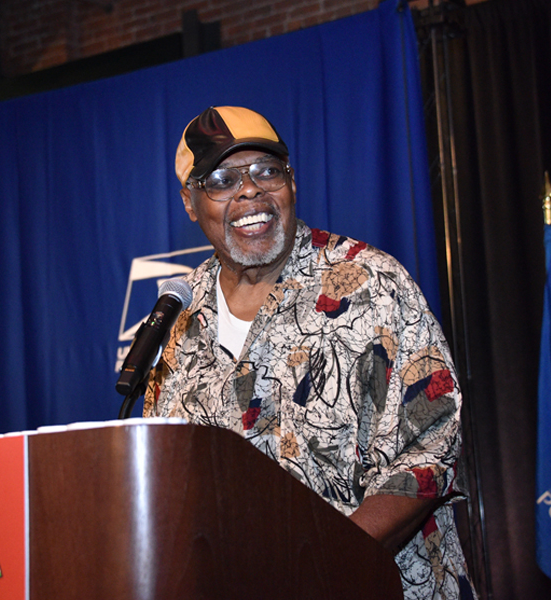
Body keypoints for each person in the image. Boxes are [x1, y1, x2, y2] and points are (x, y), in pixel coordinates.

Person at [144, 106, 475, 600]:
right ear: (190, 203)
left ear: (291, 183)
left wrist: (316, 564)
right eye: (221, 180)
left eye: (266, 171)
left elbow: (429, 449)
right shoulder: (180, 318)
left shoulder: (370, 283)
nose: (250, 191)